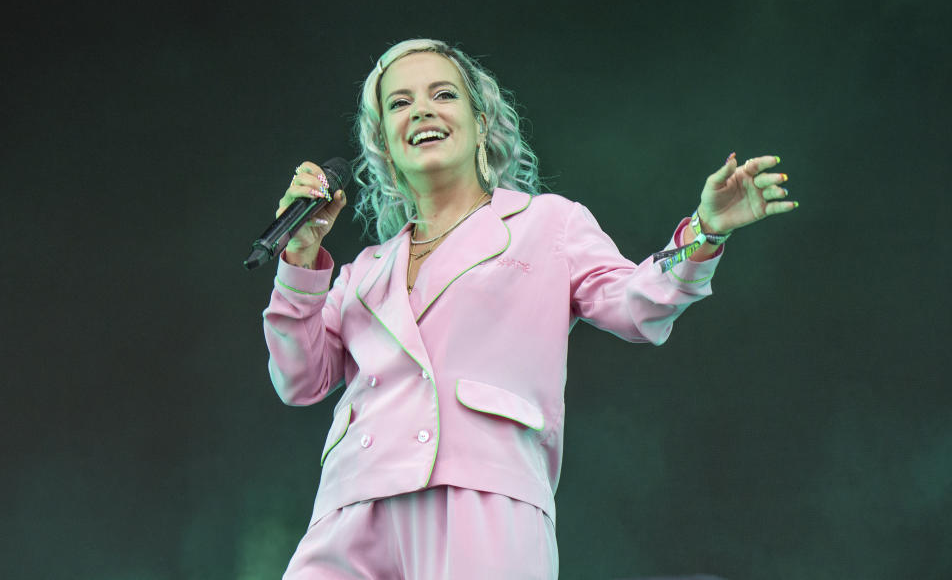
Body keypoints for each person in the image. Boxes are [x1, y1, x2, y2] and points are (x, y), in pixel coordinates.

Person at [261, 38, 797, 580]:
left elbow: (637, 305)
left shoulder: (547, 225)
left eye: (442, 94)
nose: (421, 110)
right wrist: (301, 257)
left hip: (482, 495)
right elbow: (300, 379)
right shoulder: (362, 272)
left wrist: (704, 231)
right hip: (353, 503)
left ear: (481, 125)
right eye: (399, 103)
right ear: (384, 145)